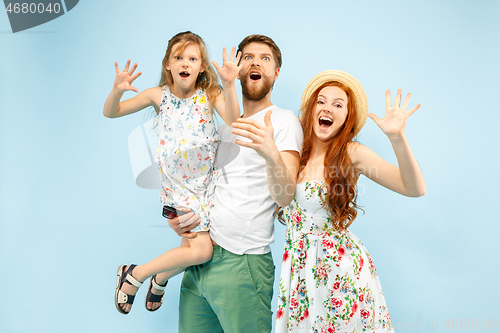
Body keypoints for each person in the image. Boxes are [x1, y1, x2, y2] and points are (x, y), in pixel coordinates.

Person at [166, 35, 304, 332]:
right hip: (200, 258)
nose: (256, 62)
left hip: (242, 265)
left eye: (265, 58)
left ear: (276, 72)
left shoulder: (283, 121)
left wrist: (270, 153)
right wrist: (186, 224)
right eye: (249, 57)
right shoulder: (225, 123)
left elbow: (285, 196)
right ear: (238, 68)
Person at [275, 70, 426, 332]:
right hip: (298, 268)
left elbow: (414, 188)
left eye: (338, 105)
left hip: (337, 271)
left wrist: (397, 138)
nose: (327, 109)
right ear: (311, 109)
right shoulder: (294, 152)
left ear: (347, 117)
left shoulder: (350, 153)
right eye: (321, 101)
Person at [103, 31, 242, 314]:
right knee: (202, 252)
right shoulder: (158, 96)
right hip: (179, 187)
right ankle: (135, 274)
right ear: (168, 63)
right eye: (179, 57)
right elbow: (111, 112)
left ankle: (160, 278)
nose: (185, 63)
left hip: (207, 185)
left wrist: (229, 85)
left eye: (192, 58)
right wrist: (118, 88)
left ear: (202, 66)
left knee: (191, 252)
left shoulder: (209, 93)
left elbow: (233, 120)